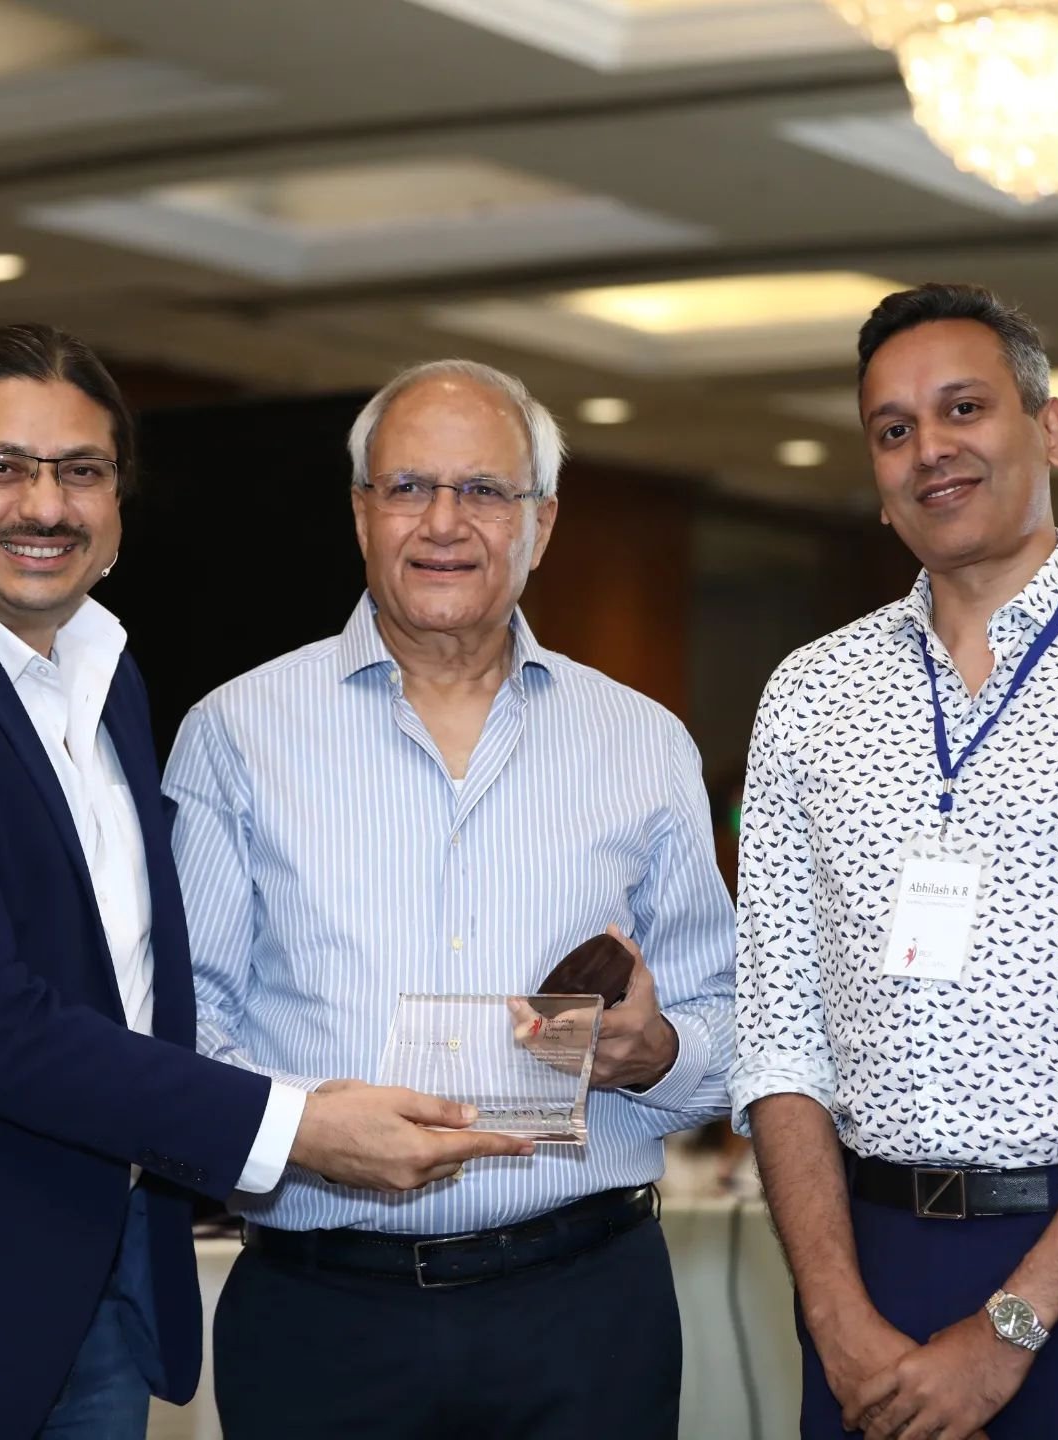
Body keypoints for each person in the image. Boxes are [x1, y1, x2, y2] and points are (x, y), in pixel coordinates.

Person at [0, 327, 528, 1440]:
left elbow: (134, 982)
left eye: (81, 471)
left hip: (97, 1300)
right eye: (1, 466)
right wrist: (294, 1126)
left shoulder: (106, 678)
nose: (45, 506)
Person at [163, 358, 736, 1440]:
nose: (442, 522)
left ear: (543, 522)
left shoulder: (642, 743)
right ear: (360, 513)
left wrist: (657, 1051)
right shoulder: (236, 732)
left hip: (585, 1307)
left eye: (482, 490)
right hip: (322, 1314)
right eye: (408, 487)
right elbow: (181, 1028)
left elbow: (734, 1020)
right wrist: (307, 1129)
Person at [730, 282, 1058, 1440]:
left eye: (964, 408)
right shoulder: (809, 694)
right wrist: (833, 1313)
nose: (930, 448)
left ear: (1049, 429)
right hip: (863, 1271)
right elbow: (775, 1035)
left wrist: (1012, 1326)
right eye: (893, 428)